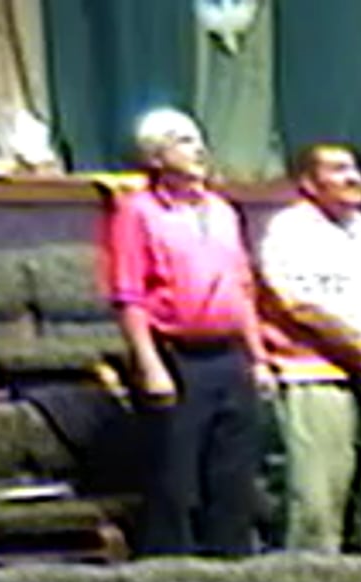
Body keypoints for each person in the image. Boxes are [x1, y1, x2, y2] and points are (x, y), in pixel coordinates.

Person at [100, 107, 271, 556]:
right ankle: (171, 575)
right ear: (155, 158)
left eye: (198, 139)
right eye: (183, 141)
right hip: (176, 354)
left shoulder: (224, 211)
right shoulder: (136, 212)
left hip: (229, 353)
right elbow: (128, 294)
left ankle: (231, 566)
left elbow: (242, 288)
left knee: (233, 474)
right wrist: (150, 365)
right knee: (174, 477)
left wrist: (258, 358)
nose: (198, 149)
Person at [258, 141, 361, 553]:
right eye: (338, 169)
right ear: (309, 183)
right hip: (318, 372)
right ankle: (317, 578)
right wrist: (354, 345)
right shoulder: (288, 231)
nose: (352, 178)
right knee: (320, 490)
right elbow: (295, 302)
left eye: (355, 168)